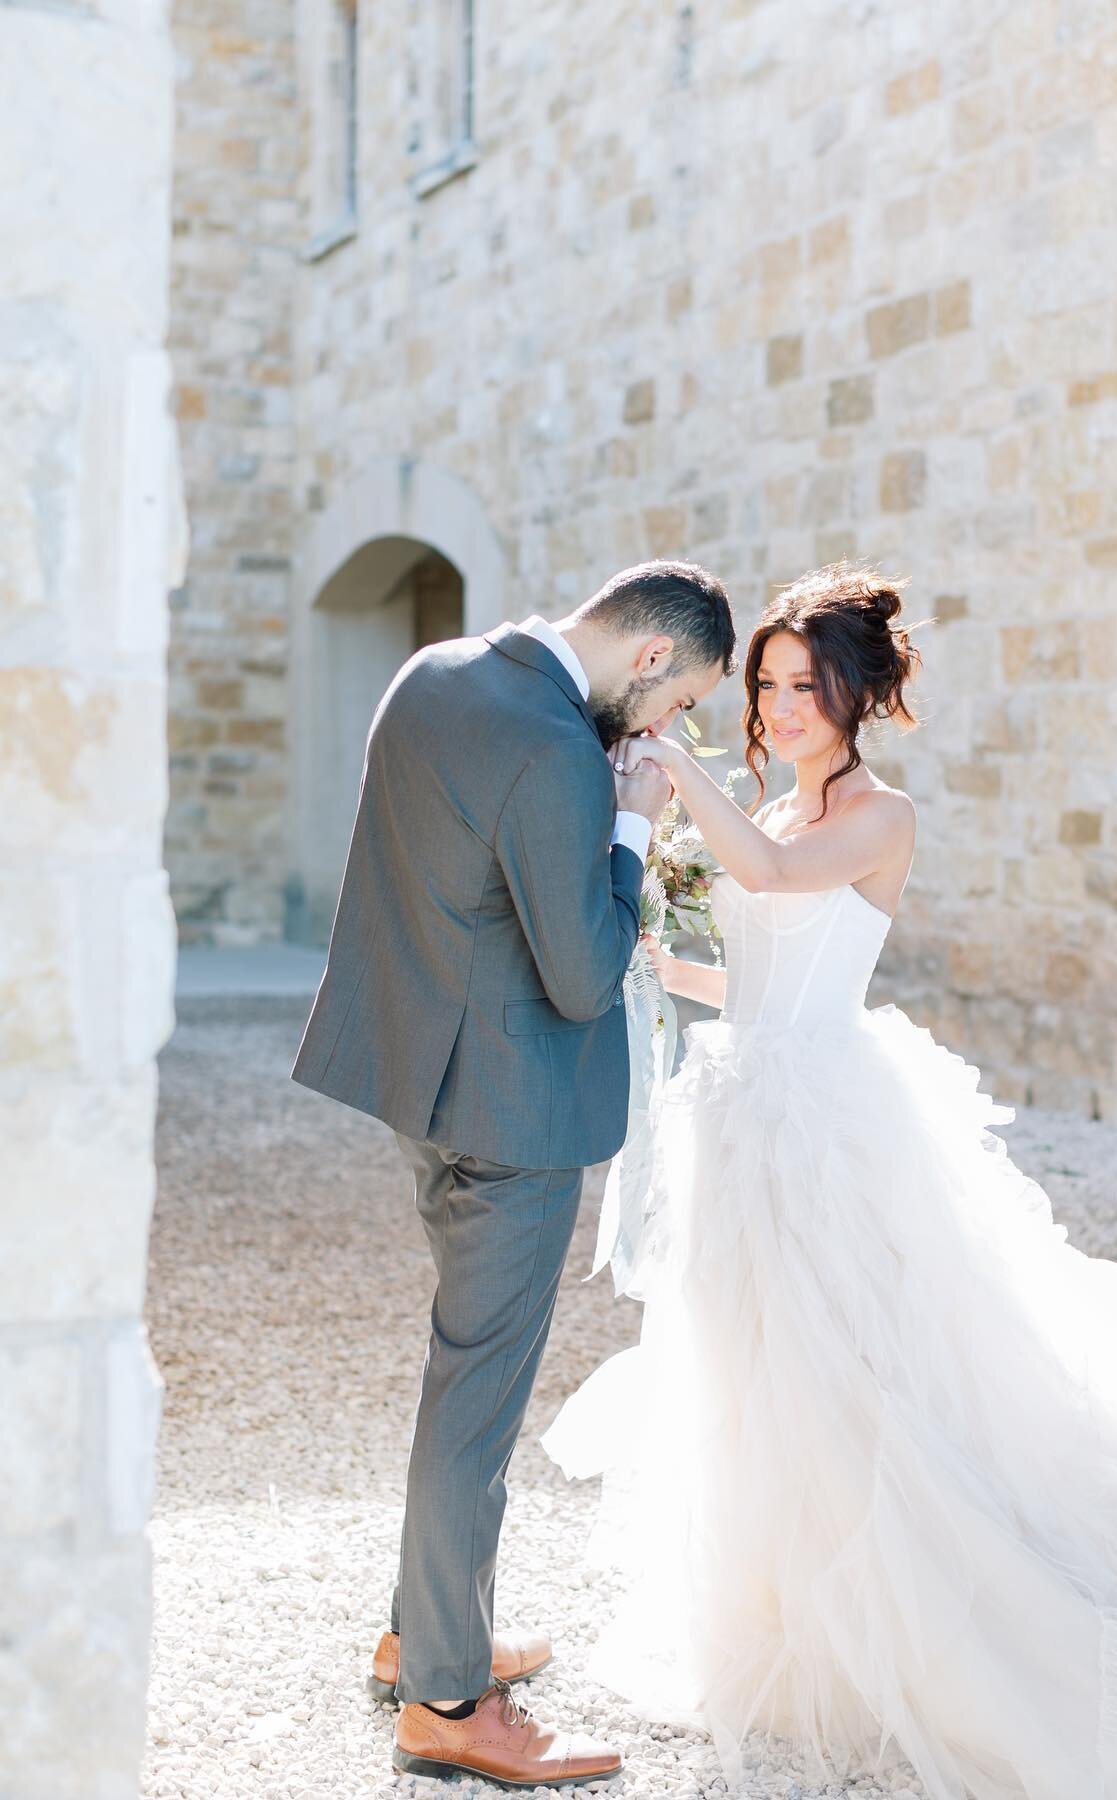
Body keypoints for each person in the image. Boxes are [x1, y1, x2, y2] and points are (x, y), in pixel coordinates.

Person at [542, 562, 1117, 1799]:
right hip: (744, 1114)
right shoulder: (781, 810)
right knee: (761, 1374)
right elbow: (746, 965)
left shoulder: (878, 815)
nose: (783, 704)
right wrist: (656, 959)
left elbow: (764, 884)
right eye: (767, 684)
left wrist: (666, 761)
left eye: (805, 685)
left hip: (825, 1127)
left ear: (857, 694)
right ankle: (798, 1624)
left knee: (862, 1374)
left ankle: (928, 1621)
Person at [291, 559, 736, 1787]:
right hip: (514, 1116)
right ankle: (445, 1698)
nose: (667, 728)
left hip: (420, 1085)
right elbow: (586, 973)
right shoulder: (556, 748)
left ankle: (419, 1632)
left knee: (461, 1375)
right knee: (476, 1401)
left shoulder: (430, 675)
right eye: (679, 700)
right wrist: (633, 827)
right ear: (650, 658)